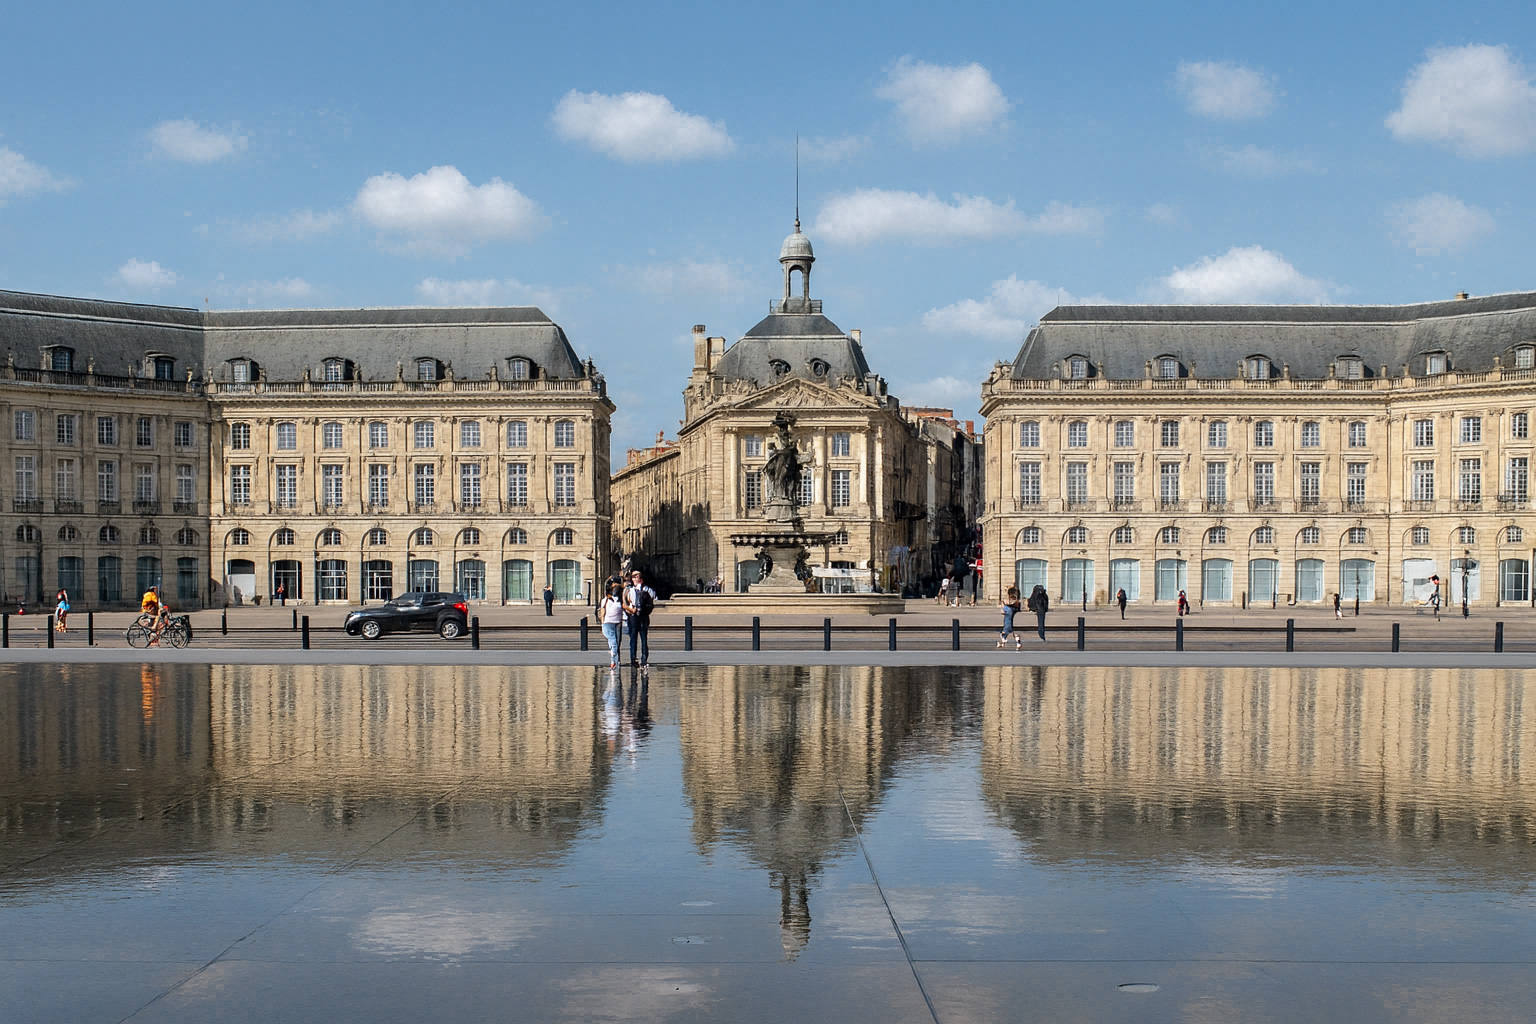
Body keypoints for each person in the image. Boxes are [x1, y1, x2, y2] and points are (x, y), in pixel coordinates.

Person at [623, 569, 656, 667]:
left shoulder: (647, 590)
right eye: (634, 577)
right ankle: (633, 658)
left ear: (641, 579)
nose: (636, 578)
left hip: (643, 616)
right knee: (633, 638)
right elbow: (624, 603)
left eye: (637, 576)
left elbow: (651, 601)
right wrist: (630, 611)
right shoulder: (628, 590)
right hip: (633, 617)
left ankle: (644, 658)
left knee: (644, 638)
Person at [597, 581, 625, 669]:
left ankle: (616, 660)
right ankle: (614, 661)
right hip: (608, 622)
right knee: (613, 643)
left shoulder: (620, 599)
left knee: (616, 642)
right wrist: (602, 622)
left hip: (617, 622)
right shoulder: (605, 600)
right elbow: (602, 611)